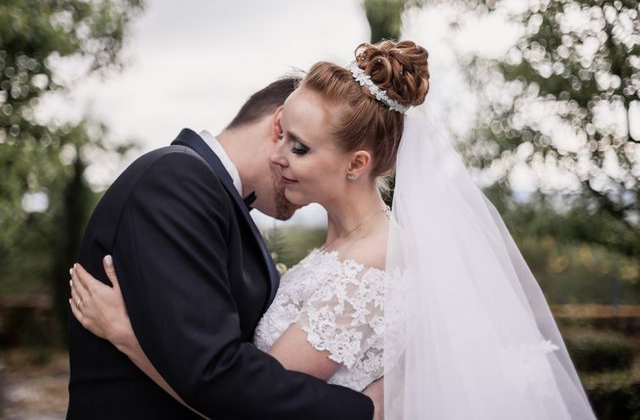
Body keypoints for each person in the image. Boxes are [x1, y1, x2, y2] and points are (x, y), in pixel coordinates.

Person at [70, 40, 597, 419]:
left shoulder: (371, 262)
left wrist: (132, 338)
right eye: (281, 137)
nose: (277, 157)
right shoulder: (335, 253)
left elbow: (240, 399)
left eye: (298, 146)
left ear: (355, 163)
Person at [65, 76, 377, 419]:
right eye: (298, 146)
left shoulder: (216, 199)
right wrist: (366, 412)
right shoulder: (176, 180)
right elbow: (209, 368)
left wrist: (130, 337)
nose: (301, 200)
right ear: (280, 126)